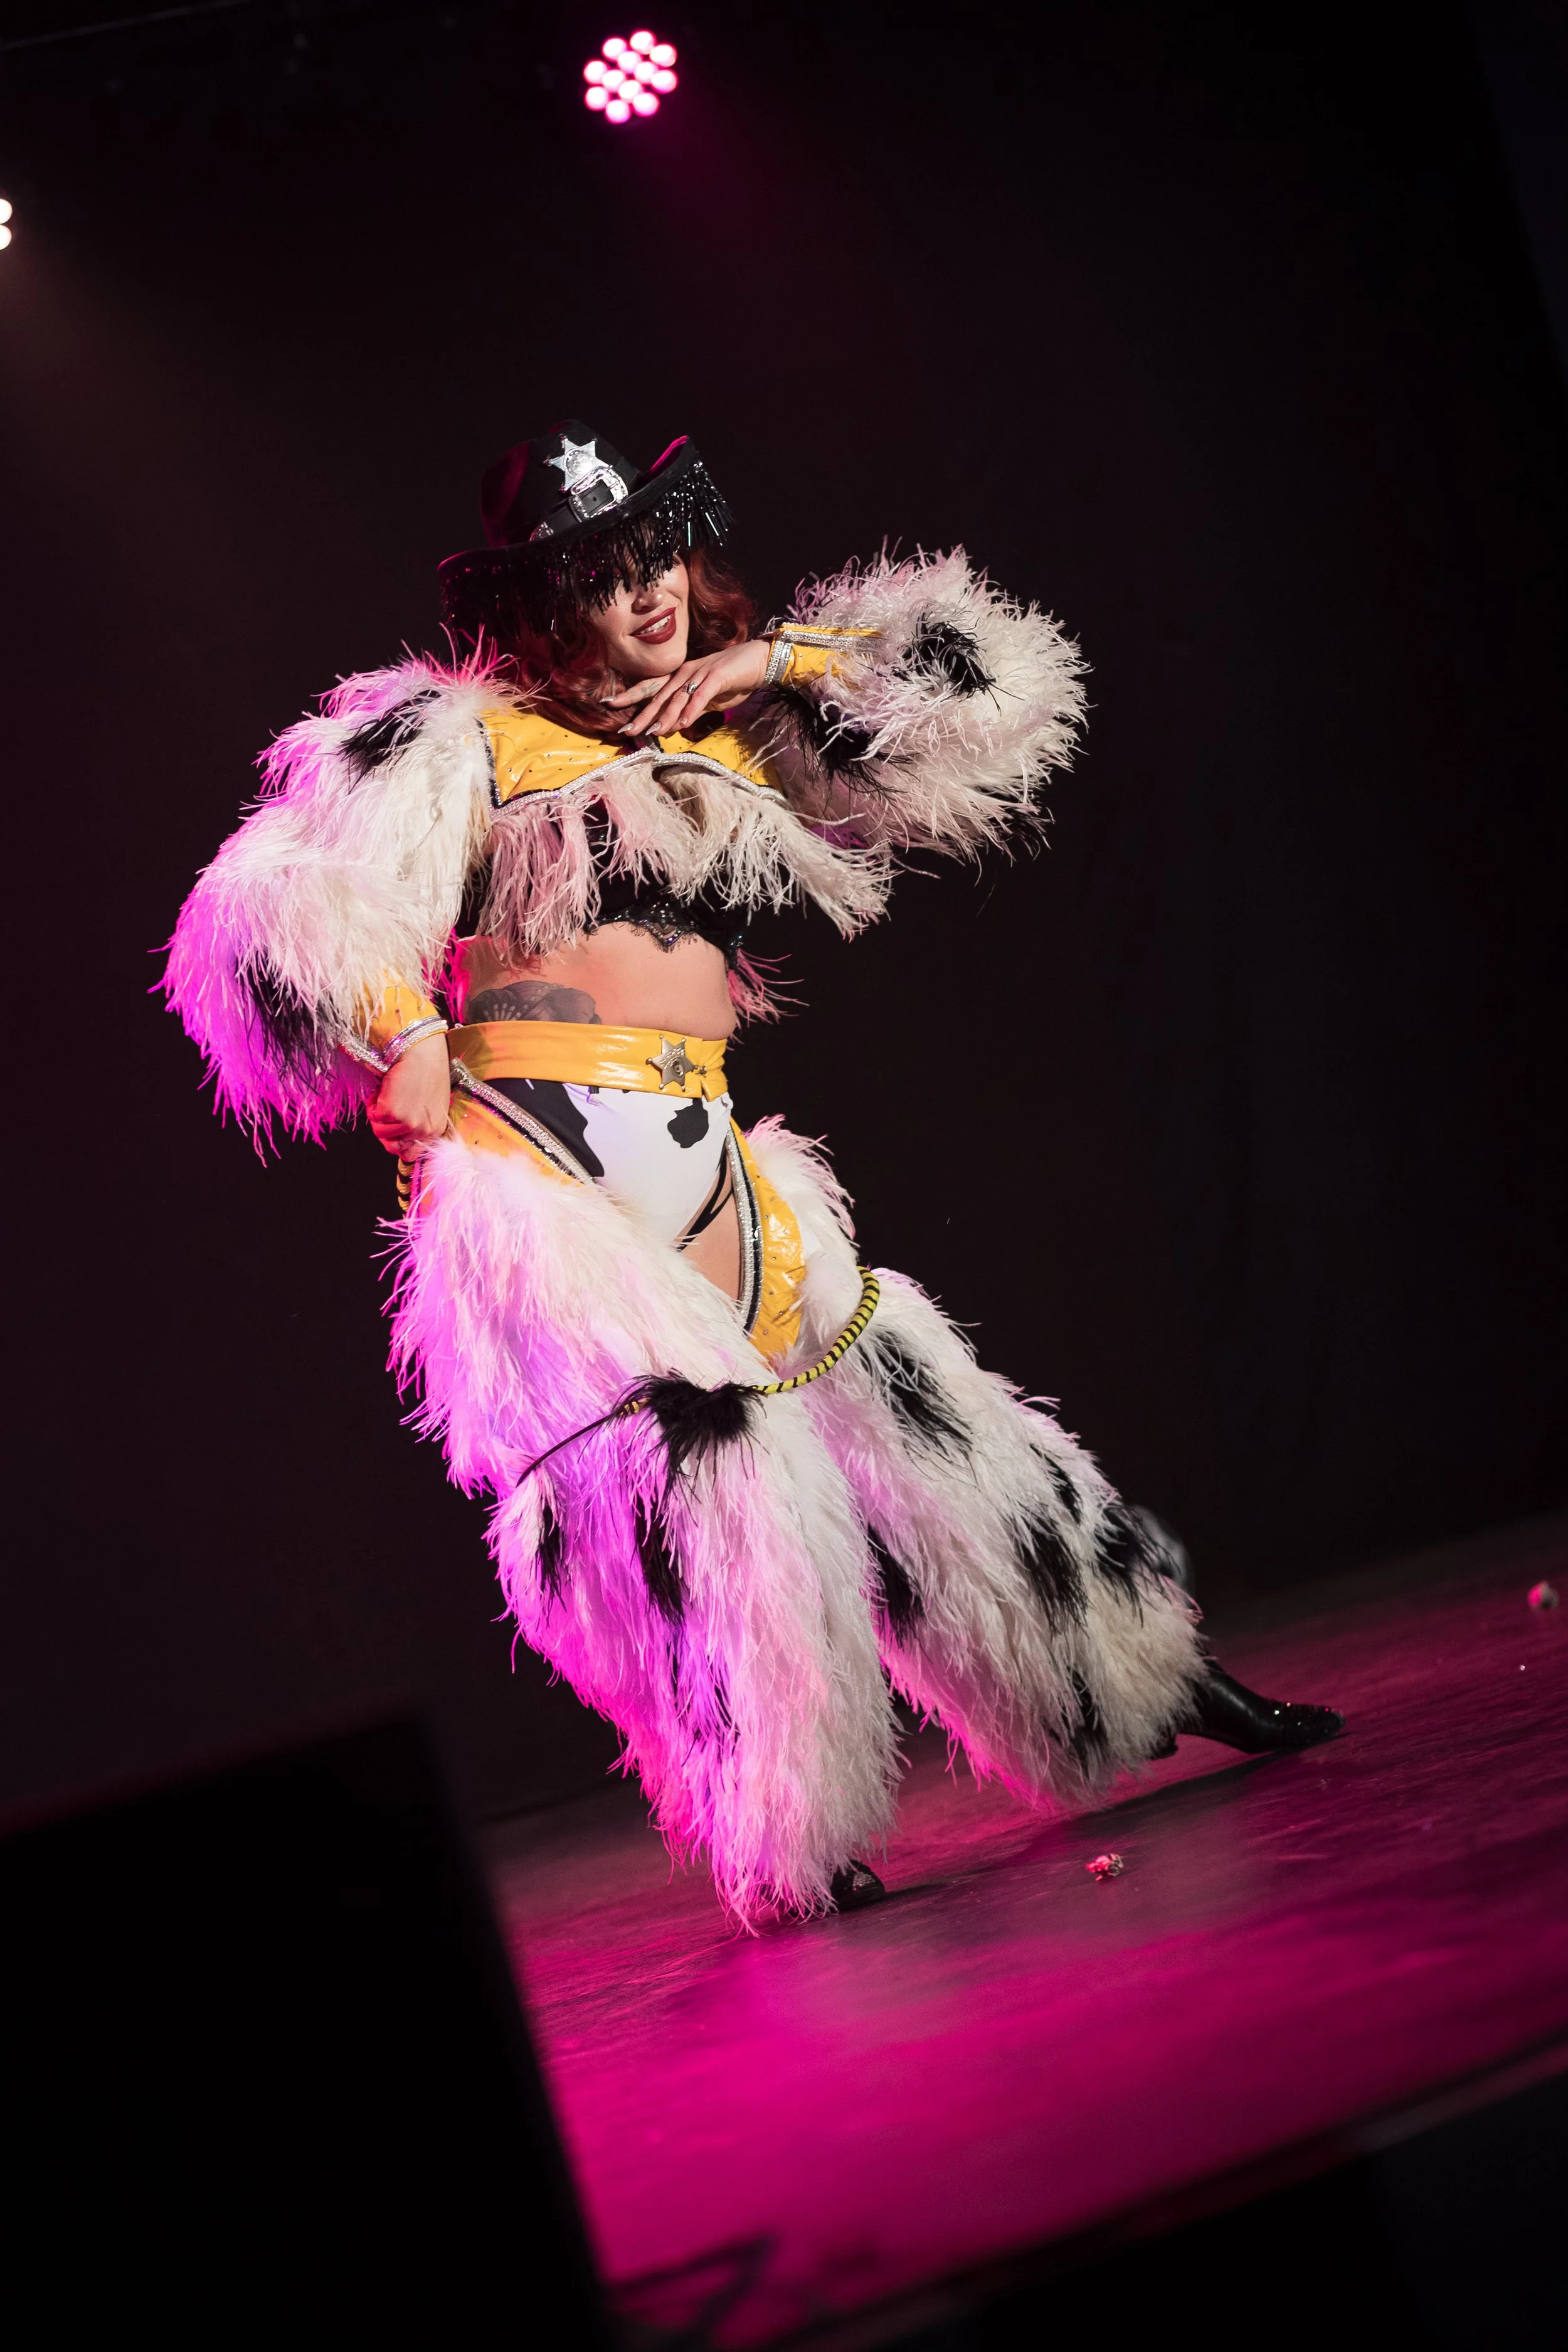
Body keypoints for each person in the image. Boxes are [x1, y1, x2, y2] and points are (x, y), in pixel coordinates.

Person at [166, 421, 1340, 1924]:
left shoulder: (738, 722)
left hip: (711, 1157)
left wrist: (775, 658)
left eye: (659, 554)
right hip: (549, 1185)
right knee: (717, 1479)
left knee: (922, 1424)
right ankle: (786, 1837)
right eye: (605, 575)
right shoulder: (459, 742)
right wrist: (401, 1034)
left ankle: (1137, 1678)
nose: (651, 592)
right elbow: (274, 902)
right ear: (539, 607)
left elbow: (989, 692)